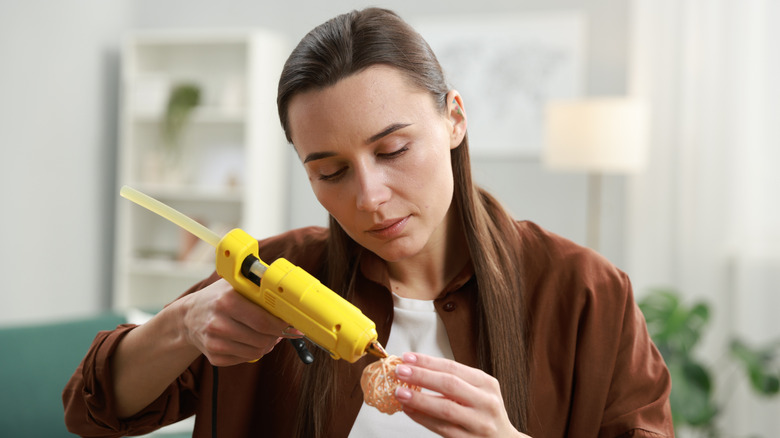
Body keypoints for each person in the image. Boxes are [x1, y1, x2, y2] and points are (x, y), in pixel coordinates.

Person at [63, 7, 673, 438]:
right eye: (330, 172)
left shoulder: (589, 296)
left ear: (454, 118)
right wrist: (182, 325)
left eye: (392, 151)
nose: (370, 197)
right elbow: (90, 411)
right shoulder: (271, 279)